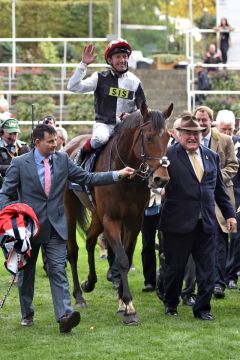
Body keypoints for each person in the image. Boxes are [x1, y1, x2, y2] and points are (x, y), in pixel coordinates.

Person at [0, 123, 135, 333]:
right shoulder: (19, 163)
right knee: (26, 275)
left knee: (57, 270)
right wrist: (10, 219)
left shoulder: (62, 159)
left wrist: (117, 174)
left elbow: (88, 178)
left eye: (56, 140)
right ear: (37, 142)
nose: (56, 145)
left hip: (56, 228)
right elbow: (5, 194)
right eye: (51, 141)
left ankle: (64, 315)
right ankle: (27, 312)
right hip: (28, 229)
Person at [160, 114, 236, 320]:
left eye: (197, 133)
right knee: (175, 269)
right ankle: (171, 303)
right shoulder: (168, 155)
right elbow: (156, 180)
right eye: (188, 134)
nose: (193, 137)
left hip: (206, 225)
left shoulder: (212, 156)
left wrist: (229, 214)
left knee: (208, 270)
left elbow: (219, 189)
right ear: (179, 134)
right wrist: (159, 189)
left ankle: (202, 309)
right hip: (177, 224)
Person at [67, 39, 147, 158]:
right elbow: (73, 87)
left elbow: (144, 110)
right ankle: (80, 158)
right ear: (110, 60)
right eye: (118, 57)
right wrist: (83, 64)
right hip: (105, 125)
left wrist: (131, 117)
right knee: (99, 140)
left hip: (128, 126)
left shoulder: (135, 81)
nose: (122, 60)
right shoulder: (99, 78)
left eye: (125, 56)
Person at [194, 106, 238, 299]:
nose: (202, 123)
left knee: (220, 241)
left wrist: (215, 177)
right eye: (199, 120)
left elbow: (233, 165)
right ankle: (198, 281)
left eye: (205, 120)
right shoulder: (190, 140)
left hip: (220, 198)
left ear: (211, 121)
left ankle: (219, 283)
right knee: (199, 241)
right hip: (196, 200)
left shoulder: (225, 140)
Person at [215, 110, 240, 290]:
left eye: (230, 129)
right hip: (218, 194)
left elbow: (234, 167)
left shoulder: (234, 143)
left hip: (234, 195)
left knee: (234, 238)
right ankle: (222, 277)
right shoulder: (212, 141)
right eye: (224, 129)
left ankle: (230, 275)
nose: (227, 133)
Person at [141, 188, 162, 292]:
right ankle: (149, 281)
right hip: (146, 209)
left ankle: (164, 281)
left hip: (164, 207)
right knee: (147, 245)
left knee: (165, 246)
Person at [0, 118, 29, 190]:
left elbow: (29, 168)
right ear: (2, 132)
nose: (13, 137)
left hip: (21, 189)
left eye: (15, 133)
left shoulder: (24, 147)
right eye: (10, 134)